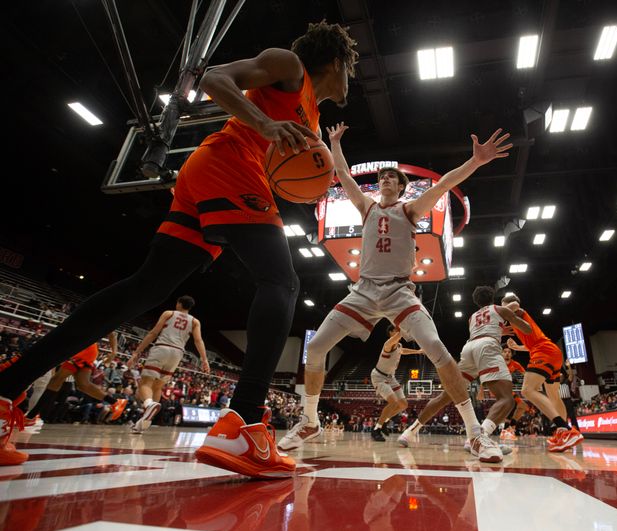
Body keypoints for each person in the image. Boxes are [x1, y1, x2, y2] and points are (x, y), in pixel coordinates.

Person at [0, 21, 359, 475]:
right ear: (336, 62)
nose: (352, 79)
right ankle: (242, 424)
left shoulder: (312, 113)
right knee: (282, 282)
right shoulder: (289, 66)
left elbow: (279, 158)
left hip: (213, 175)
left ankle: (6, 388)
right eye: (351, 67)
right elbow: (213, 78)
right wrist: (265, 123)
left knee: (144, 290)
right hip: (228, 166)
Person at [278, 122, 512, 463]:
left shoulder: (410, 209)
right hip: (363, 290)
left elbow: (446, 182)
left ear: (401, 188)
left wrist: (475, 161)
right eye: (383, 177)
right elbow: (341, 173)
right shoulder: (367, 208)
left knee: (436, 349)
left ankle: (476, 433)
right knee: (314, 349)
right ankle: (309, 420)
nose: (385, 180)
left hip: (400, 291)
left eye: (392, 178)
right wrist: (334, 142)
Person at [397, 285, 532, 458]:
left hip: (469, 348)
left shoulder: (472, 317)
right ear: (493, 297)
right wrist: (516, 314)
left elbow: (487, 326)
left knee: (446, 396)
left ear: (477, 301)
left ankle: (410, 431)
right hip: (487, 347)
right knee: (506, 399)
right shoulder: (499, 309)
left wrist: (500, 327)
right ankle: (478, 438)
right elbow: (527, 329)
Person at [502, 294, 583, 452]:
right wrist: (518, 348)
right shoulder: (518, 321)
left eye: (502, 305)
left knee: (527, 390)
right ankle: (563, 434)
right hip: (552, 352)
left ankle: (565, 429)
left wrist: (499, 311)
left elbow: (513, 306)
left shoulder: (517, 312)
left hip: (543, 353)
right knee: (554, 396)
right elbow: (532, 343)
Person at [128, 296, 209, 434]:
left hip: (162, 347)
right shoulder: (195, 321)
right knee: (158, 386)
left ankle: (149, 405)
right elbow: (198, 340)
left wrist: (137, 352)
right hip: (177, 354)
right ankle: (143, 423)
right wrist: (204, 359)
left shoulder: (169, 313)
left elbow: (154, 332)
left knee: (145, 384)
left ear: (178, 303)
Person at [26, 333, 127, 425]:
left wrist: (114, 352)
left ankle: (31, 416)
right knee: (83, 385)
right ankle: (115, 402)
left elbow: (112, 333)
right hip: (83, 347)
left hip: (84, 348)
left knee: (56, 380)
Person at [370, 325, 424, 442]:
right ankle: (376, 429)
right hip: (379, 376)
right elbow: (400, 335)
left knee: (403, 404)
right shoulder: (388, 344)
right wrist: (405, 326)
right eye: (396, 330)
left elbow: (403, 351)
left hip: (391, 377)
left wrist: (418, 351)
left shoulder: (398, 345)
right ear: (390, 332)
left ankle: (384, 422)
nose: (398, 332)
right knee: (393, 402)